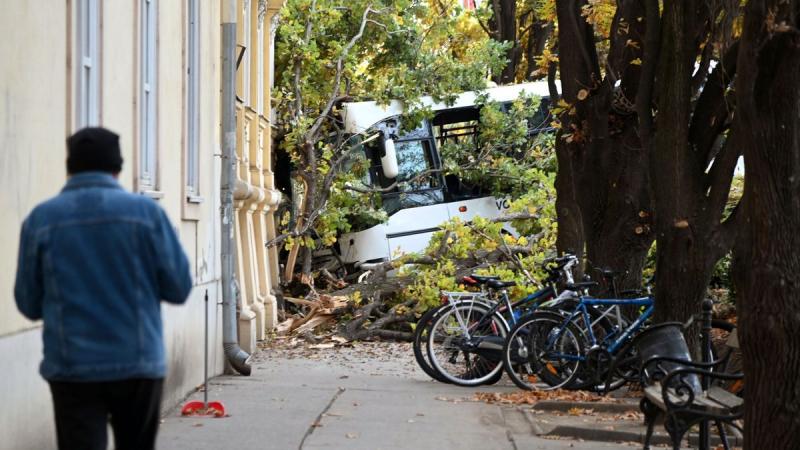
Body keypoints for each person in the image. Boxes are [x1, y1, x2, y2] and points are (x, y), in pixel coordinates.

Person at [14, 127, 192, 450]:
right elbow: (179, 288)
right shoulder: (147, 215)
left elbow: (27, 302)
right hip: (138, 364)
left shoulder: (41, 220)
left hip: (72, 367)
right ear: (118, 168)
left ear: (70, 167)